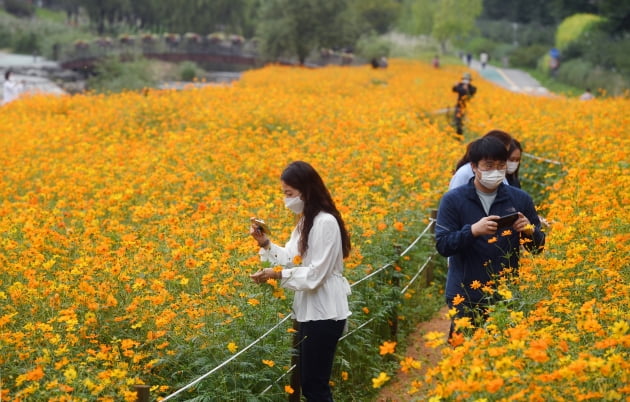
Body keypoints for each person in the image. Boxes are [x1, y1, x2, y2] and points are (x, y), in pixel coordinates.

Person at [250, 161, 352, 401]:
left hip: (325, 312)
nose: (287, 200)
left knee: (315, 386)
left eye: (290, 194)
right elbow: (290, 258)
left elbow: (316, 275)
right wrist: (265, 244)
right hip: (309, 310)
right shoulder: (305, 222)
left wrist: (276, 275)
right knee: (310, 384)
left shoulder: (326, 222)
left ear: (306, 191)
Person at [435, 136, 545, 338]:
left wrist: (529, 231)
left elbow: (537, 248)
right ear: (474, 167)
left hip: (505, 295)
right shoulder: (453, 200)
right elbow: (442, 245)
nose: (496, 171)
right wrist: (472, 231)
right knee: (463, 355)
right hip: (464, 295)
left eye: (501, 165)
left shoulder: (520, 199)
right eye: (489, 165)